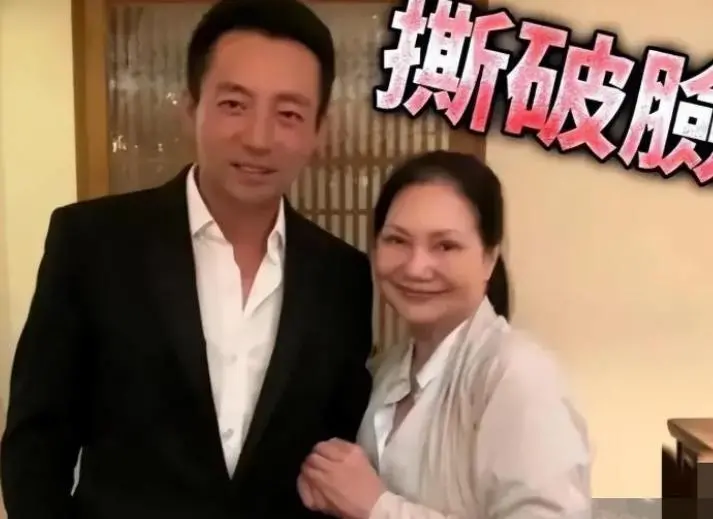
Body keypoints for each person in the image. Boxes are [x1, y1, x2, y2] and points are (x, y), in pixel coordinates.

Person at [0, 1, 373, 518]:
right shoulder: (93, 243)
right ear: (190, 107)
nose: (258, 138)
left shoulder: (343, 277)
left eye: (288, 114)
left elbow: (333, 453)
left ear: (319, 130)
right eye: (234, 104)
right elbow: (36, 443)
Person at [297, 150, 591, 519]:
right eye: (397, 240)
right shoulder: (388, 370)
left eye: (445, 246)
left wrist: (378, 507)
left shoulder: (516, 373)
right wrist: (327, 483)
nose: (416, 267)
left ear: (489, 258)